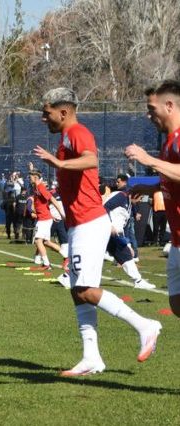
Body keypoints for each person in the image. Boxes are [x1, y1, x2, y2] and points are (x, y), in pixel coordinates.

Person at [34, 87, 161, 376]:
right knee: (78, 292)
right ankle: (91, 357)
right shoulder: (66, 136)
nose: (44, 118)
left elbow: (91, 159)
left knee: (86, 290)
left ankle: (145, 325)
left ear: (63, 112)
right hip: (80, 224)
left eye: (47, 112)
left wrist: (59, 163)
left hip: (90, 223)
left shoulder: (78, 132)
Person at [125, 80, 180, 317]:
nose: (149, 116)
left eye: (152, 109)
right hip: (177, 242)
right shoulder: (169, 142)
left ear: (169, 105)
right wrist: (150, 188)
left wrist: (150, 160)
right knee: (176, 305)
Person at [28, 169, 65, 270]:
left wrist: (62, 214)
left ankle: (46, 264)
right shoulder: (36, 185)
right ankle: (67, 256)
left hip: (44, 218)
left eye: (30, 177)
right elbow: (35, 174)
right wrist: (31, 169)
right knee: (46, 242)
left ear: (35, 178)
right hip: (44, 217)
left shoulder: (41, 187)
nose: (29, 179)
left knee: (37, 240)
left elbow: (52, 199)